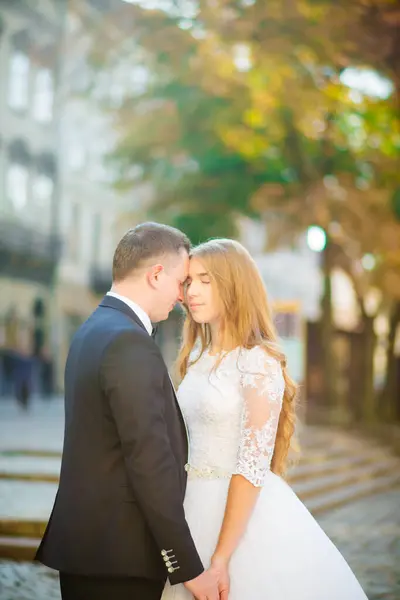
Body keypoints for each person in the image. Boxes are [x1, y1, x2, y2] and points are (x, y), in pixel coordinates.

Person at [161, 238, 368, 600]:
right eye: (189, 281)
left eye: (206, 280)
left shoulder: (258, 362)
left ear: (235, 286)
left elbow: (251, 467)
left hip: (238, 515)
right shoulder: (197, 356)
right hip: (188, 505)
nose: (192, 291)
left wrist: (221, 558)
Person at [35, 223, 222, 600]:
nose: (183, 297)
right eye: (181, 281)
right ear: (156, 275)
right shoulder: (127, 342)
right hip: (119, 556)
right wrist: (186, 565)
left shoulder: (93, 328)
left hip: (93, 548)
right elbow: (148, 459)